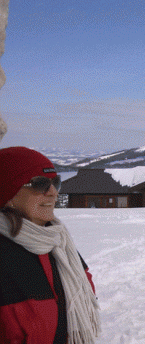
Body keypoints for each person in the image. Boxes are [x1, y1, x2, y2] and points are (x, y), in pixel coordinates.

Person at [0, 147, 101, 343]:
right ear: (8, 193)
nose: (53, 193)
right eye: (39, 184)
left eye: (56, 183)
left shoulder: (60, 243)